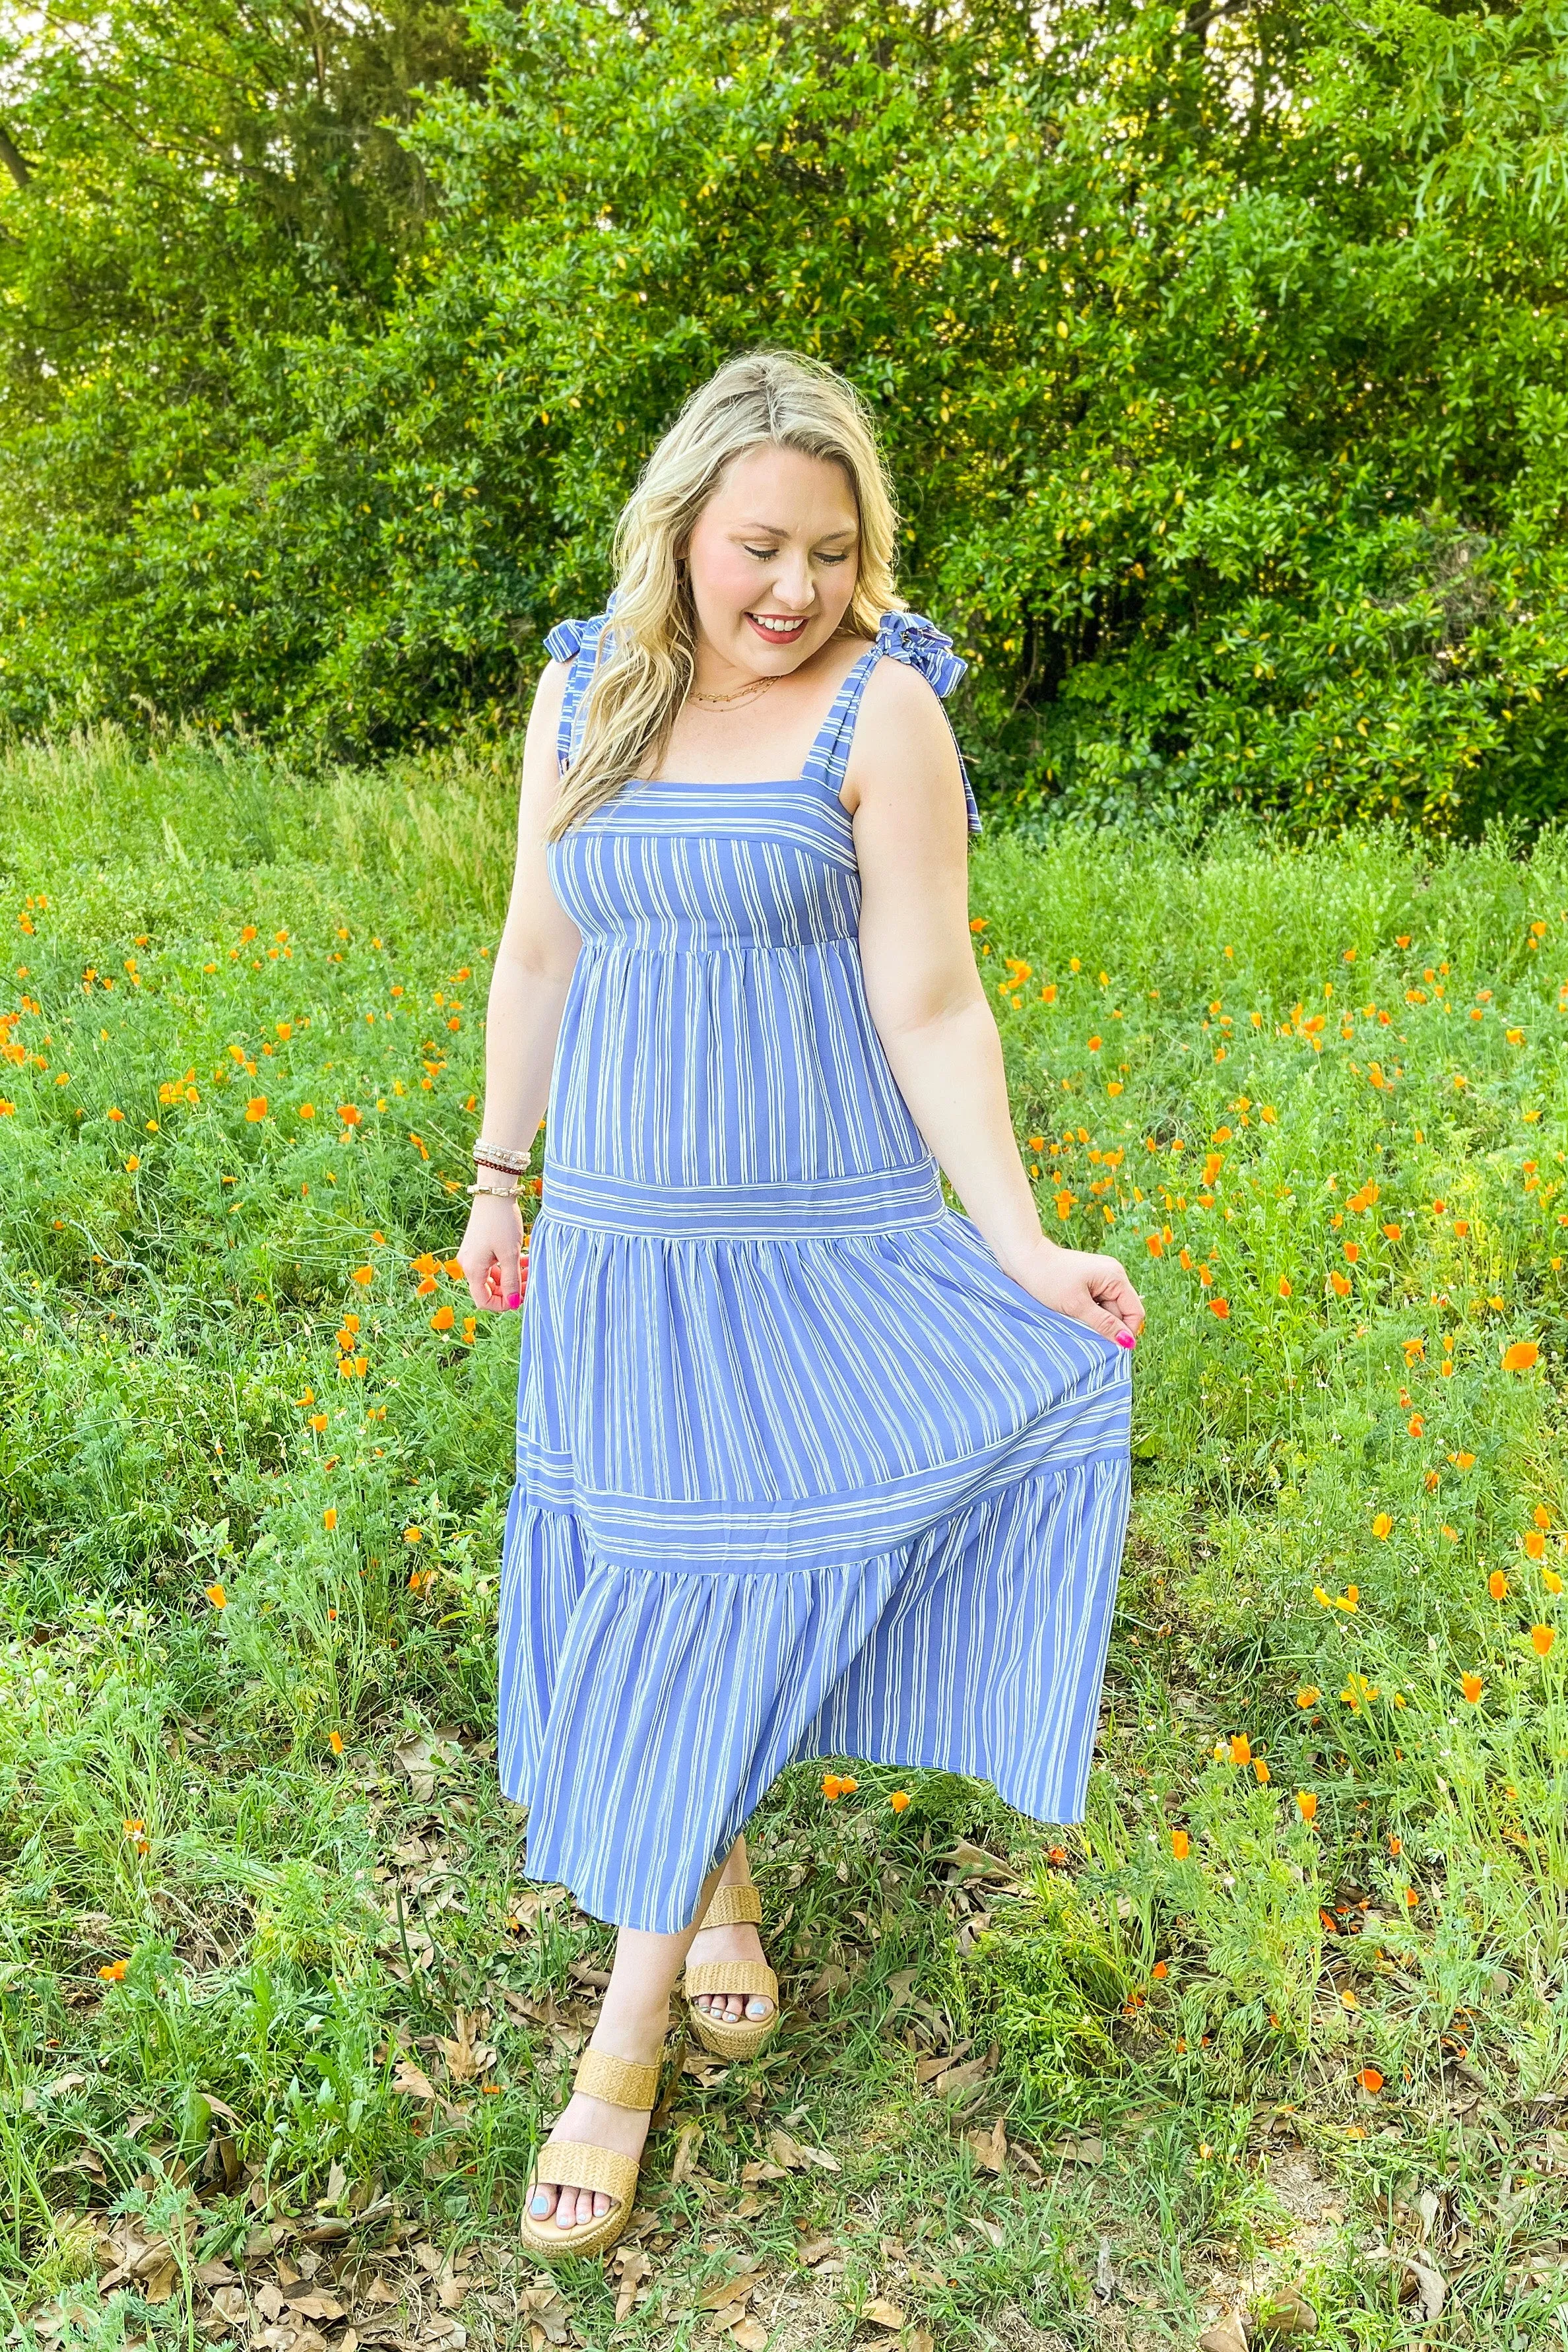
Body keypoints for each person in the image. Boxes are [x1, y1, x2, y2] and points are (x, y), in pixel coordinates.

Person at [457, 348, 1144, 2257]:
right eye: (761, 546)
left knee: (726, 1581)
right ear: (678, 527)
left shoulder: (882, 708)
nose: (794, 589)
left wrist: (1018, 1244)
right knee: (656, 1573)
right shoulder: (581, 691)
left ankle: (616, 2054)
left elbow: (934, 1001)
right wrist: (499, 1179)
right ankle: (723, 1888)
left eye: (832, 553)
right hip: (616, 1247)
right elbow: (537, 949)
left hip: (812, 1240)